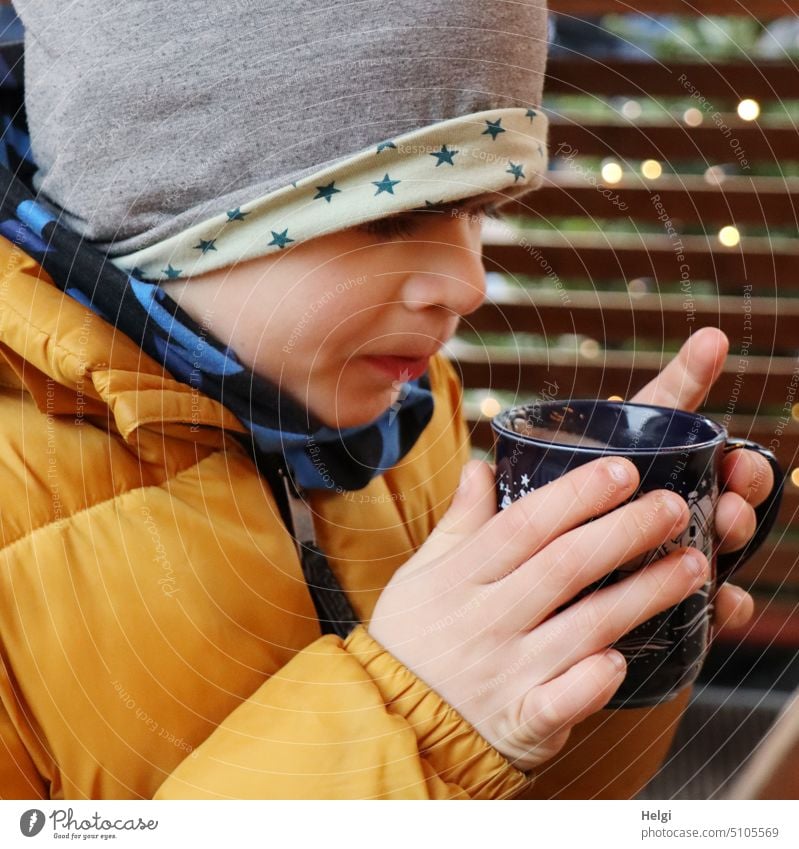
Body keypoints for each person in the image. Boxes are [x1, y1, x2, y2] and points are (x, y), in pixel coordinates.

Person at [0, 1, 771, 800]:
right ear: (168, 203)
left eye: (478, 211)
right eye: (393, 215)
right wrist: (421, 721)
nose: (467, 285)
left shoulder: (401, 415)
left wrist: (582, 654)